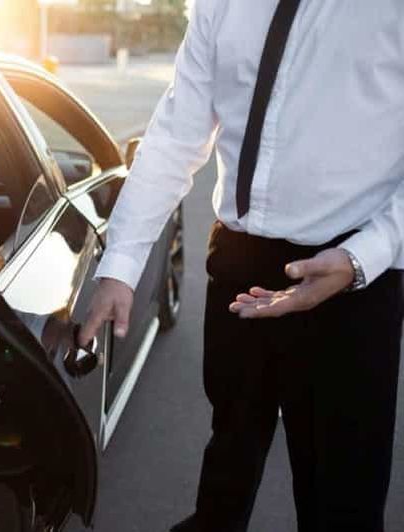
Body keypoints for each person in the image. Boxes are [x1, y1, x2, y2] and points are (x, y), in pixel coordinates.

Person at [79, 1, 404, 531]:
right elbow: (175, 135)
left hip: (353, 282)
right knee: (229, 459)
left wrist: (360, 257)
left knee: (342, 499)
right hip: (240, 262)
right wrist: (121, 263)